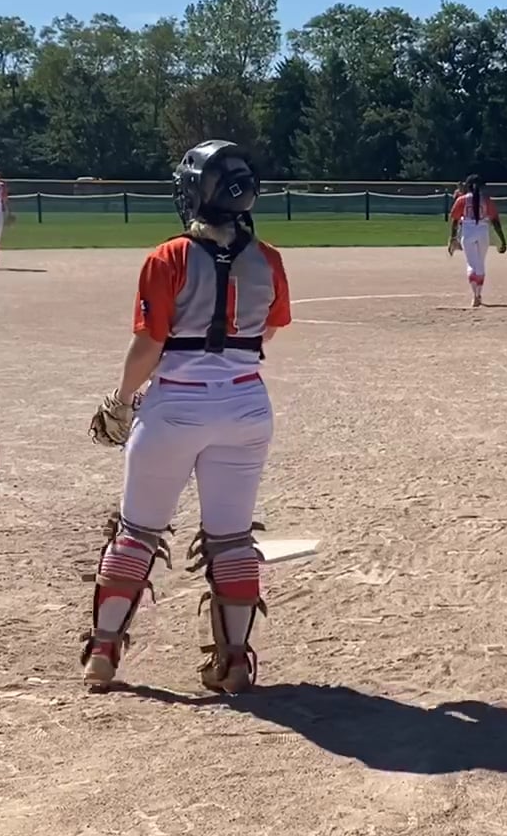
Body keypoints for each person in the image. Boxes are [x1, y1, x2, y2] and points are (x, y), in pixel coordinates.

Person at [82, 139, 290, 696]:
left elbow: (149, 345)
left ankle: (103, 652)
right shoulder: (268, 259)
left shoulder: (168, 257)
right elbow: (268, 330)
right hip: (246, 405)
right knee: (232, 537)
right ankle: (235, 661)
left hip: (175, 405)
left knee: (136, 531)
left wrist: (122, 399)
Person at [447, 174, 507, 307]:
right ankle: (479, 294)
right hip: (482, 231)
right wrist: (502, 240)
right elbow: (495, 221)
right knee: (480, 264)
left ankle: (474, 295)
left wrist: (452, 238)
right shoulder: (486, 200)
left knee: (471, 264)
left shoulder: (462, 199)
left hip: (467, 231)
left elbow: (455, 220)